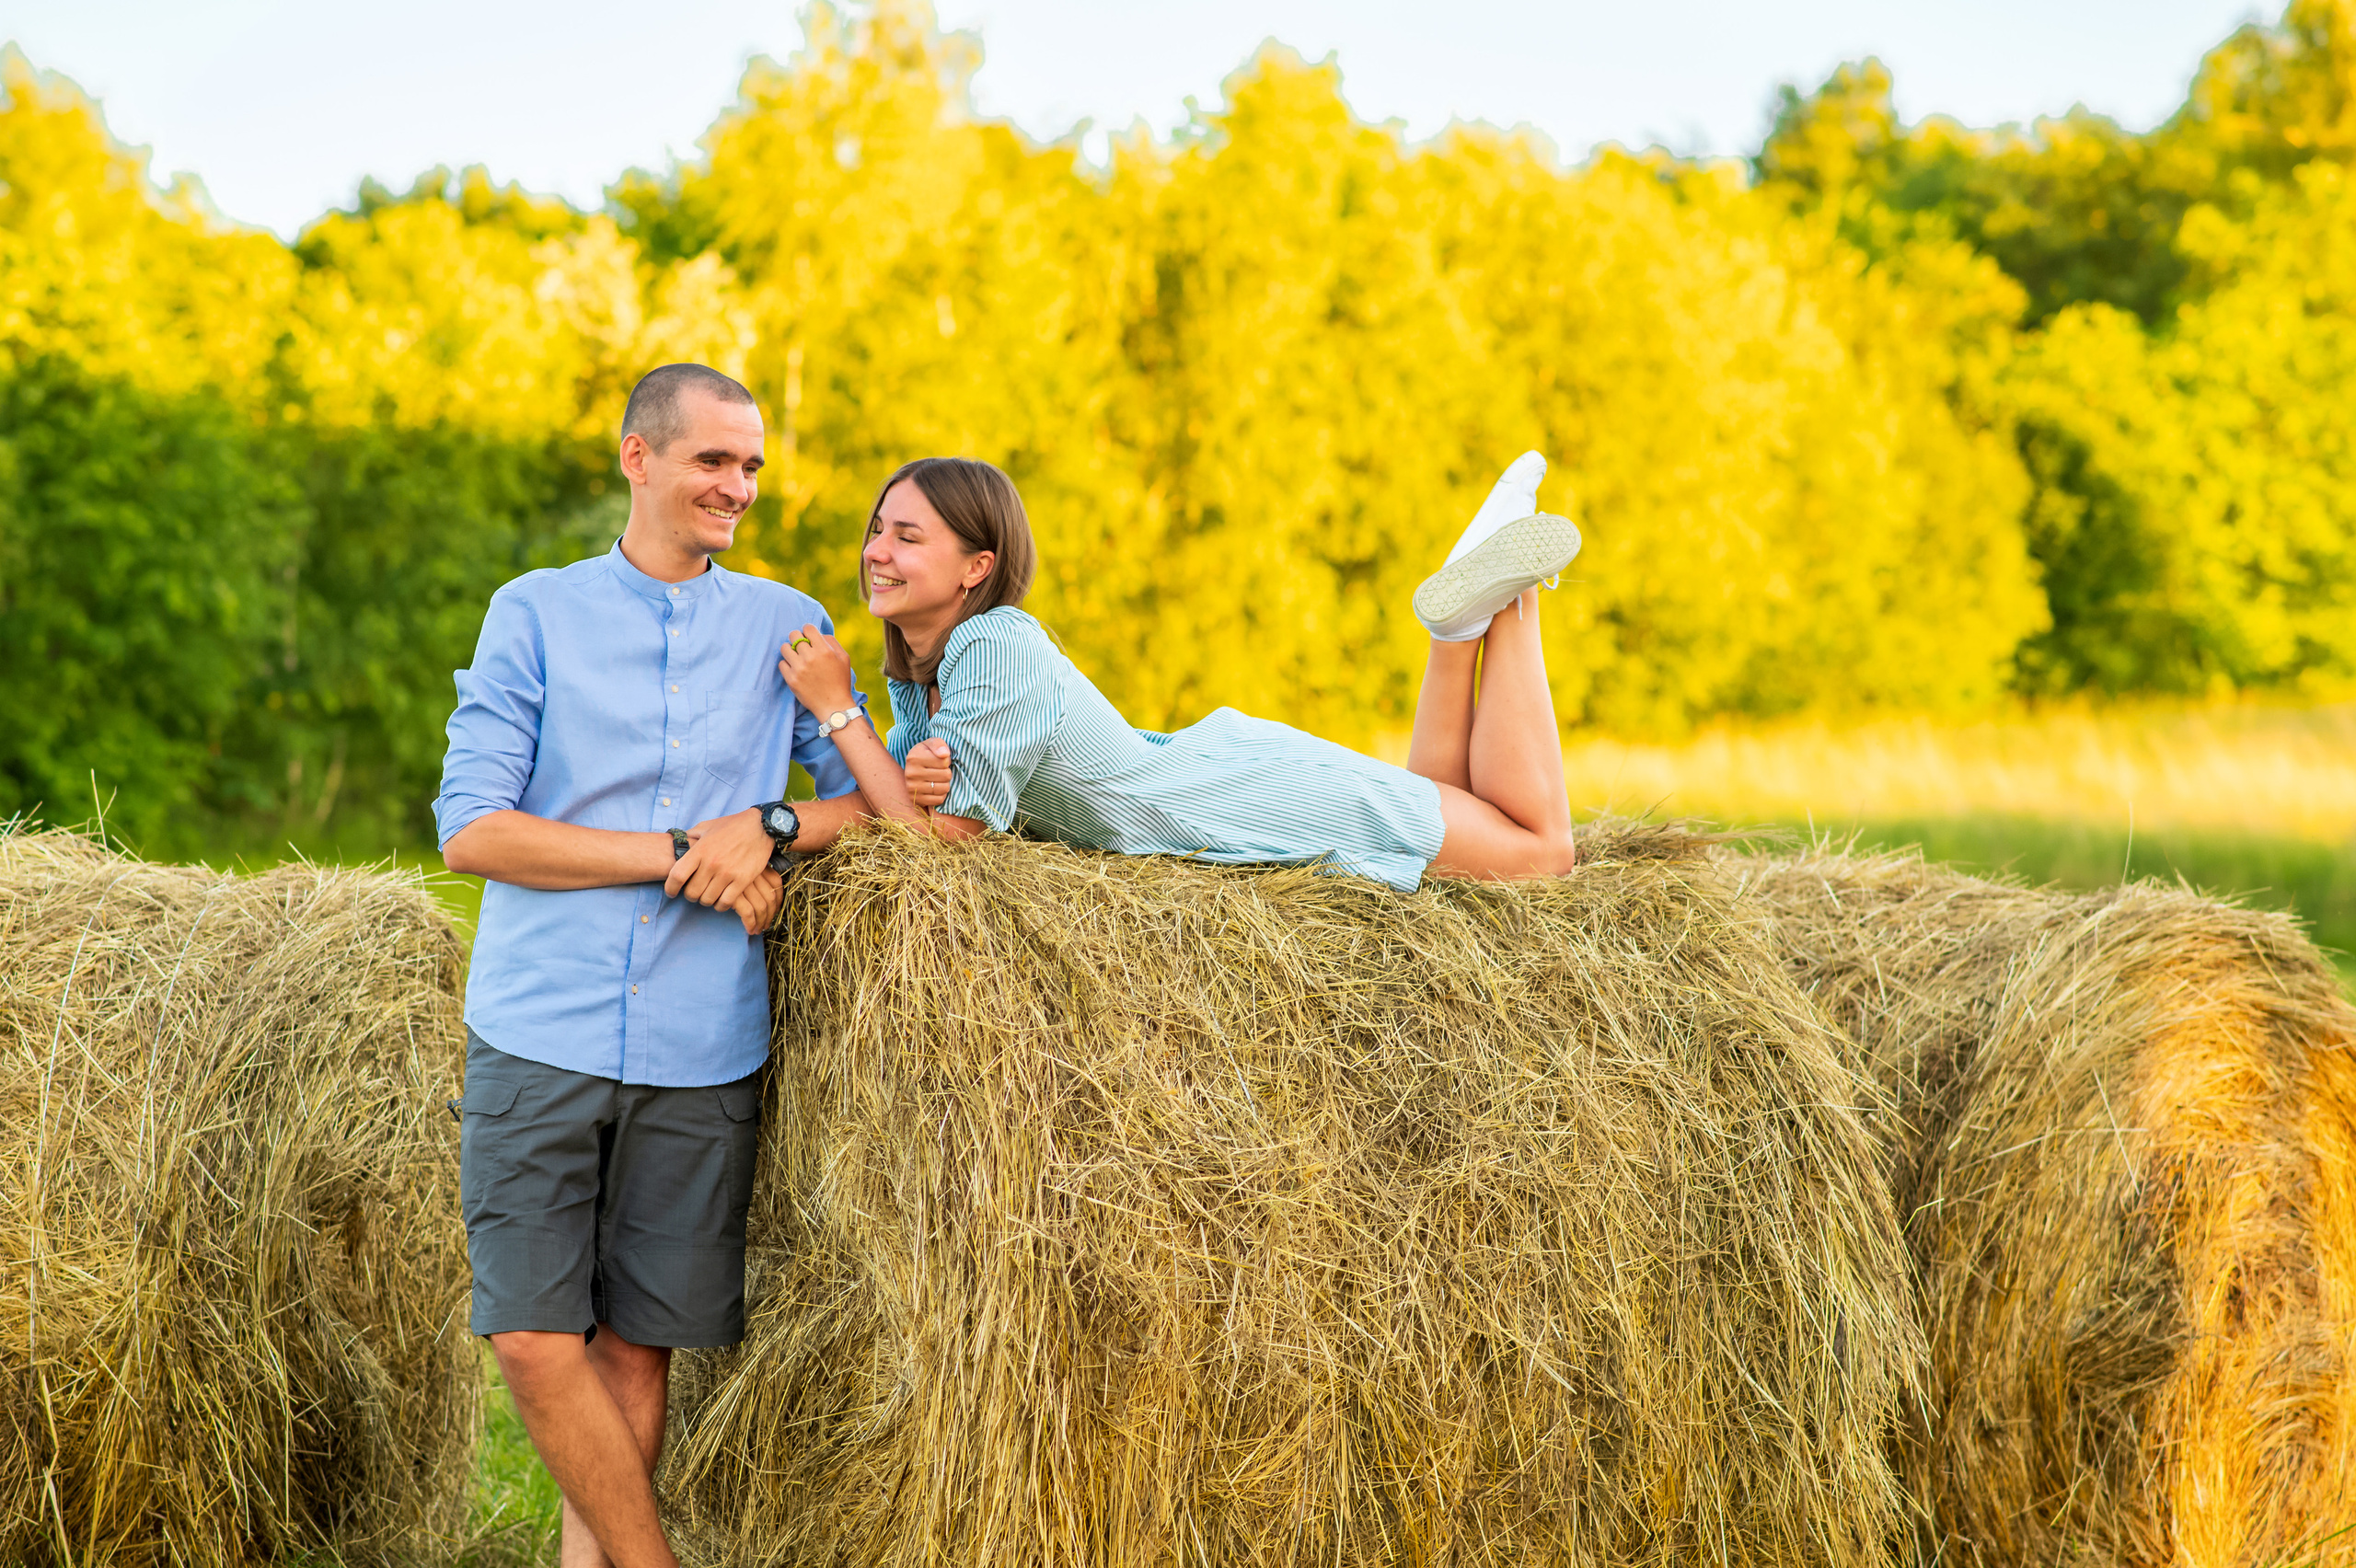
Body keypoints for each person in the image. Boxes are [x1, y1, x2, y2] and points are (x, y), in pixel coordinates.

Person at [435, 364, 919, 1568]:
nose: (739, 488)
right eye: (715, 461)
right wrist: (673, 854)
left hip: (706, 1042)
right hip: (540, 1029)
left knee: (637, 1349)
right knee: (536, 1340)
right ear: (638, 458)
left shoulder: (783, 624)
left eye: (751, 466)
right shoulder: (533, 612)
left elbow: (883, 805)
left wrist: (764, 827)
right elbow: (474, 829)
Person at [773, 452, 1581, 889]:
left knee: (1541, 853)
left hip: (1234, 804)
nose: (875, 550)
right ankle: (1456, 628)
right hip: (1219, 786)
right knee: (1446, 812)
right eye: (878, 529)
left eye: (907, 537)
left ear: (976, 567)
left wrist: (838, 709)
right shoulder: (924, 670)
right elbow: (905, 811)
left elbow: (941, 840)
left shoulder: (995, 644)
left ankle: (1510, 596)